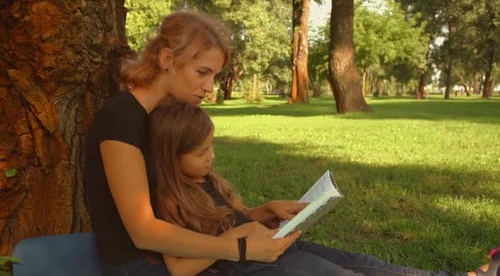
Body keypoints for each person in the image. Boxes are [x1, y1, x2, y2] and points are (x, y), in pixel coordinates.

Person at [147, 101, 500, 276]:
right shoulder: (168, 196)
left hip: (270, 246)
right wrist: (240, 241)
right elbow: (178, 266)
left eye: (211, 146)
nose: (212, 157)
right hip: (246, 266)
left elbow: (232, 220)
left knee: (361, 262)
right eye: (200, 152)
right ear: (169, 155)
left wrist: (264, 212)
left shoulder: (206, 179)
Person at [83, 10, 301, 276]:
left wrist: (259, 213)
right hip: (142, 266)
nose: (210, 87)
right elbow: (143, 231)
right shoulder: (122, 117)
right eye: (202, 72)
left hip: (195, 256)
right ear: (167, 59)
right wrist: (240, 248)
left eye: (214, 76)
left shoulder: (165, 118)